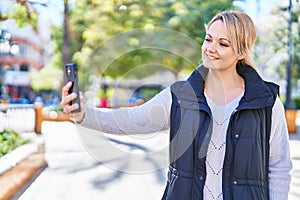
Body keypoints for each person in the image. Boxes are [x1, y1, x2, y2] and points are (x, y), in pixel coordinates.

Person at [61, 10, 292, 200]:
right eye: (208, 39)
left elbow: (279, 167)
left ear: (240, 51)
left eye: (223, 44)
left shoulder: (266, 102)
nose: (210, 48)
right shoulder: (180, 96)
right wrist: (82, 114)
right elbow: (131, 121)